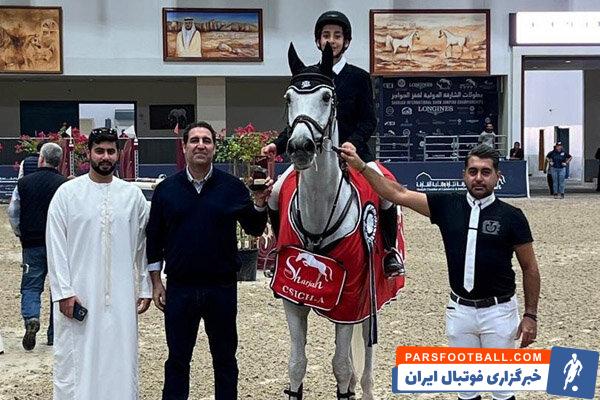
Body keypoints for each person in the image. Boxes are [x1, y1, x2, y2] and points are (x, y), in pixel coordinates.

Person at [340, 143, 540, 400]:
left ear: (497, 176)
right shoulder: (447, 205)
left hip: (499, 313)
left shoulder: (512, 216)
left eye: (486, 172)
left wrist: (530, 315)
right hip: (460, 312)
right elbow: (398, 193)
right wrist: (360, 166)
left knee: (502, 390)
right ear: (464, 174)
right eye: (473, 171)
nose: (479, 178)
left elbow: (529, 268)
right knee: (466, 390)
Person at [261, 10, 404, 277]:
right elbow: (299, 120)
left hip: (353, 153)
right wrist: (277, 146)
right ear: (318, 41)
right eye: (326, 35)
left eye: (337, 36)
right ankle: (278, 252)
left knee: (386, 194)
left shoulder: (359, 77)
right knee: (277, 193)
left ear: (346, 41)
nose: (331, 40)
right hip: (313, 153)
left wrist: (352, 143)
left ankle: (389, 252)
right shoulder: (309, 76)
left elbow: (368, 121)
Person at [146, 121, 272, 400]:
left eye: (206, 140)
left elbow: (253, 228)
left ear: (214, 147)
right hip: (180, 287)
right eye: (194, 140)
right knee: (177, 359)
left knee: (225, 359)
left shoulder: (232, 188)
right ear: (184, 147)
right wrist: (156, 283)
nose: (200, 145)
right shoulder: (166, 190)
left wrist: (260, 202)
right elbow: (153, 239)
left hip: (221, 288)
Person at [46, 128, 152, 400]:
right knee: (76, 361)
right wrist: (63, 292)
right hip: (78, 295)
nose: (106, 157)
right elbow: (55, 245)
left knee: (121, 358)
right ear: (89, 153)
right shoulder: (67, 194)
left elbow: (144, 244)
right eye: (100, 151)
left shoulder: (132, 197)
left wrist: (145, 286)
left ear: (117, 154)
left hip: (121, 299)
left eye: (111, 151)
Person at [7, 142, 67, 349]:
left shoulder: (24, 183)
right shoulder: (65, 185)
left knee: (31, 285)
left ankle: (32, 317)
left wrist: (20, 232)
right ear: (60, 161)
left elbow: (13, 211)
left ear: (41, 158)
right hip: (58, 245)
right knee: (58, 288)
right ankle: (54, 334)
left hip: (32, 244)